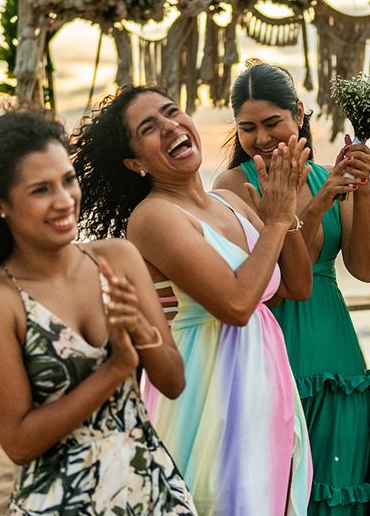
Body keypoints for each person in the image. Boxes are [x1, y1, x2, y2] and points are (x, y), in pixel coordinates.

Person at [0, 111, 195, 514]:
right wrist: (115, 369)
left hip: (153, 489)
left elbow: (173, 381)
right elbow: (19, 443)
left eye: (68, 180)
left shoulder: (118, 257)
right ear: (0, 204)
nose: (64, 200)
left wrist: (140, 328)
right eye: (41, 190)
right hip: (62, 501)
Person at [72, 86, 313, 515]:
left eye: (172, 112)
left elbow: (295, 287)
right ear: (134, 162)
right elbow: (236, 306)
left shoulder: (231, 201)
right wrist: (274, 221)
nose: (170, 127)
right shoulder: (153, 217)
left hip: (265, 380)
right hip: (208, 396)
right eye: (149, 128)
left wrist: (287, 206)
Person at [213, 61, 370, 515]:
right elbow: (288, 275)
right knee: (282, 489)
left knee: (339, 480)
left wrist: (360, 189)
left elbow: (365, 268)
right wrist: (320, 200)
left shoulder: (327, 174)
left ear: (299, 113)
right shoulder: (232, 187)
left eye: (272, 123)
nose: (262, 138)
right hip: (271, 340)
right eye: (247, 128)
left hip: (334, 344)